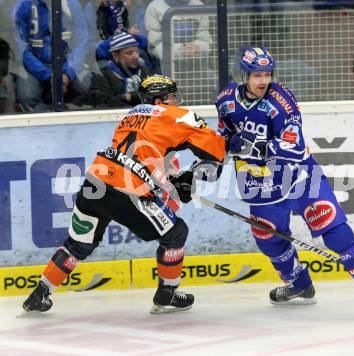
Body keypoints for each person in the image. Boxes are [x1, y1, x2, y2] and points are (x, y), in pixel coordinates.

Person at [22, 74, 226, 314]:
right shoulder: (176, 115)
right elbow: (216, 149)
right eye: (172, 95)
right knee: (176, 232)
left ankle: (39, 294)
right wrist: (194, 174)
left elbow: (143, 157)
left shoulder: (131, 115)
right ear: (161, 99)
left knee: (78, 245)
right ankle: (167, 293)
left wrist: (175, 181)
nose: (175, 99)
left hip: (95, 182)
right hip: (128, 190)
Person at [214, 47, 354, 313]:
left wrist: (251, 147)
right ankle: (299, 284)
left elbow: (294, 147)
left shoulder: (281, 99)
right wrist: (214, 158)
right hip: (259, 184)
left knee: (336, 232)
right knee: (268, 238)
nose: (263, 81)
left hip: (299, 178)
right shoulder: (226, 100)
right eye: (257, 75)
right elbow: (222, 138)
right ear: (244, 75)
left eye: (268, 74)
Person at [13, 0, 88, 111]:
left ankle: (72, 123)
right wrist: (49, 76)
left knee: (87, 86)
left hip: (66, 64)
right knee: (27, 95)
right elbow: (22, 49)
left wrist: (68, 73)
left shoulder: (72, 4)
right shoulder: (23, 4)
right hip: (34, 66)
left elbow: (81, 44)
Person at [86, 31, 158, 108]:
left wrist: (129, 96)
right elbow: (106, 104)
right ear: (115, 56)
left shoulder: (145, 70)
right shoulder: (101, 77)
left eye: (137, 52)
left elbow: (156, 96)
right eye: (129, 53)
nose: (136, 56)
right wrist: (132, 97)